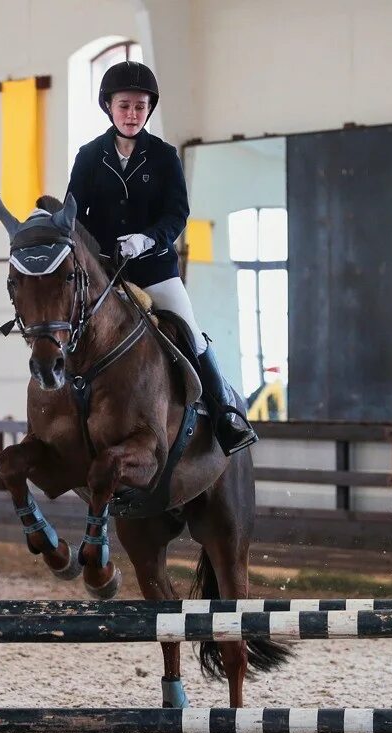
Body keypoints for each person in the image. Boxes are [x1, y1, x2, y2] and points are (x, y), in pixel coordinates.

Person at [67, 61, 258, 456]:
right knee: (63, 330)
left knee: (190, 331)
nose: (132, 114)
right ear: (109, 107)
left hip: (154, 270)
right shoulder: (88, 157)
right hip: (103, 274)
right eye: (124, 106)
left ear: (149, 109)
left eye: (140, 106)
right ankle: (61, 418)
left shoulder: (164, 156)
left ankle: (224, 417)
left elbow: (177, 214)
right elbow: (73, 214)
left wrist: (148, 239)